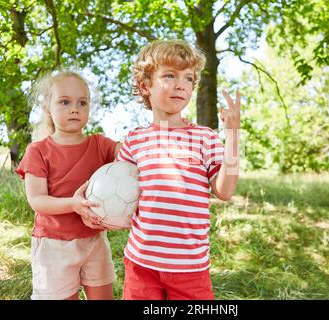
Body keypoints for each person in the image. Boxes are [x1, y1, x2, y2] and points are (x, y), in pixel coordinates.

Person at [117, 39, 241, 300]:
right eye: (169, 75)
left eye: (188, 78)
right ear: (145, 85)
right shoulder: (134, 140)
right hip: (141, 264)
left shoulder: (205, 138)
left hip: (190, 269)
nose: (180, 84)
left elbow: (225, 191)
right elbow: (119, 195)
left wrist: (232, 136)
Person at [15, 70, 120, 300]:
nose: (75, 108)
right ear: (47, 109)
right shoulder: (38, 151)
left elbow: (130, 153)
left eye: (82, 102)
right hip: (54, 244)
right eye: (65, 102)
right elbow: (37, 200)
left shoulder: (100, 144)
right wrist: (73, 204)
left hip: (94, 239)